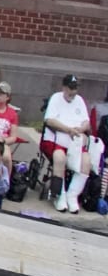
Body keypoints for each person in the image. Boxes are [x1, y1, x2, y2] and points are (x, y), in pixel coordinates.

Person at [43, 74, 103, 214]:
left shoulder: (80, 100)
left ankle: (72, 195)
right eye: (70, 88)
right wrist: (67, 129)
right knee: (59, 158)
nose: (73, 92)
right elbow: (49, 121)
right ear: (64, 87)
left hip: (75, 142)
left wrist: (80, 129)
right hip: (56, 139)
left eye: (75, 88)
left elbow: (86, 123)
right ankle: (60, 195)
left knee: (86, 161)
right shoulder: (56, 98)